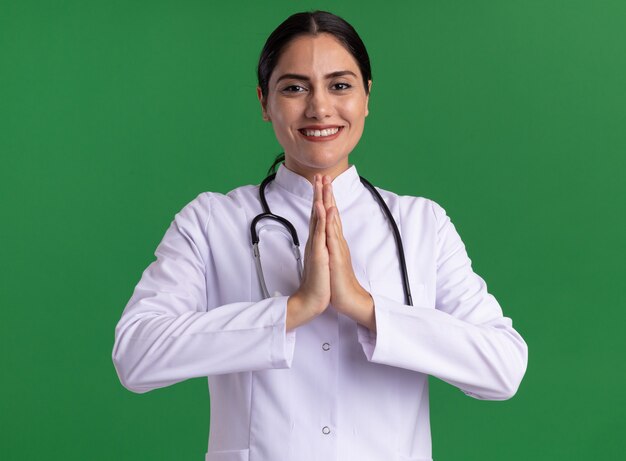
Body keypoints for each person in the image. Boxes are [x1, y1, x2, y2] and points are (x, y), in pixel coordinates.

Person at [112, 10, 528, 461]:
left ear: (367, 96)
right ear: (264, 101)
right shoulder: (212, 222)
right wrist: (291, 310)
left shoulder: (421, 224)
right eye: (294, 87)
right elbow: (137, 355)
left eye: (340, 85)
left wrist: (366, 309)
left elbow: (503, 368)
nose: (319, 108)